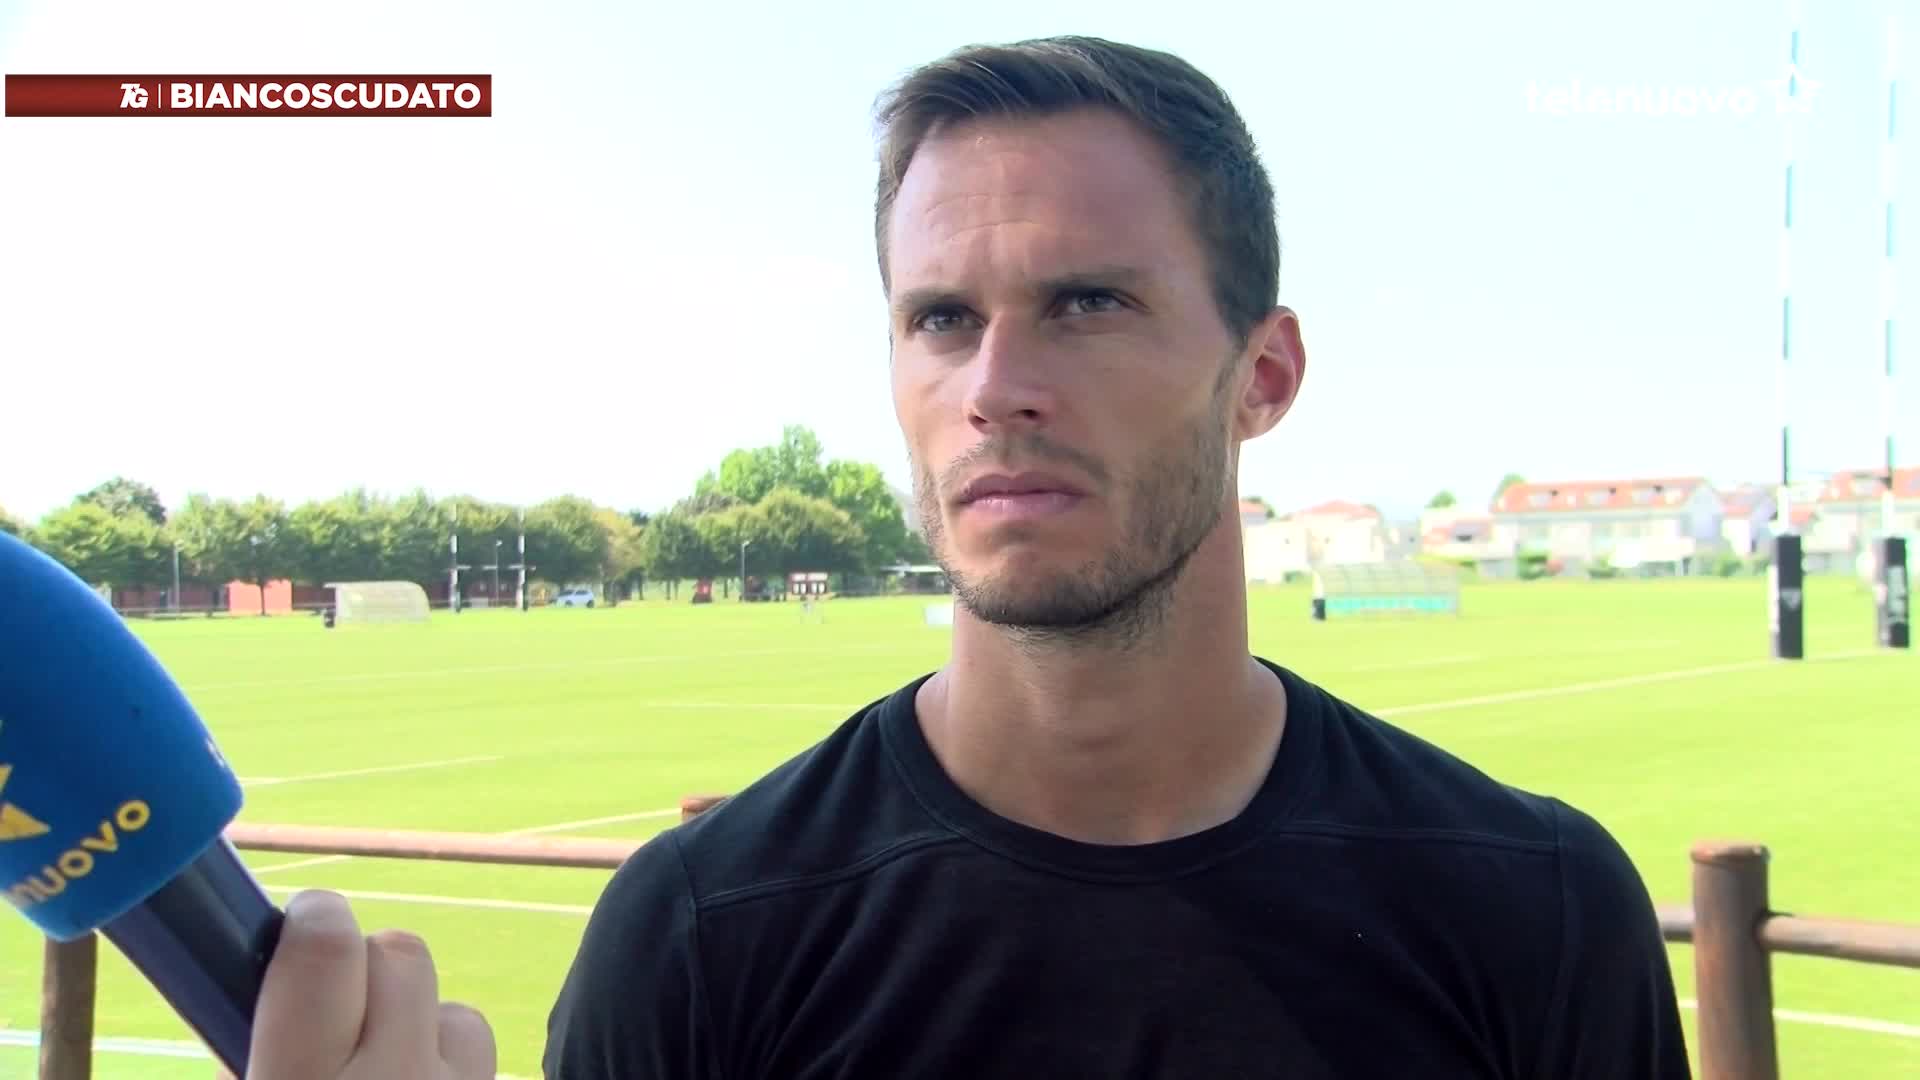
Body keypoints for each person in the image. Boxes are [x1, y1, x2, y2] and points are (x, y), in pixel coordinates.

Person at [253, 34, 1691, 1079]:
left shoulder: (1536, 907)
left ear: (1262, 376)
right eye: (941, 319)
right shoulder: (704, 932)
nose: (996, 387)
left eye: (1086, 303)